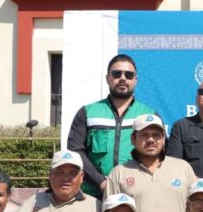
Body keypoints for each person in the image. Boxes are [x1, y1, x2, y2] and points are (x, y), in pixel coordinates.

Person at [67, 54, 159, 198]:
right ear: (107, 78)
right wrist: (101, 182)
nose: (123, 78)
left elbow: (159, 155)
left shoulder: (149, 115)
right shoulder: (87, 112)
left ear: (135, 80)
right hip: (93, 195)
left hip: (138, 194)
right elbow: (75, 151)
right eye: (117, 74)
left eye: (129, 75)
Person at [107, 114, 198, 212]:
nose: (151, 140)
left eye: (156, 135)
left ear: (163, 139)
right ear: (133, 139)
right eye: (144, 135)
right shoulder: (119, 173)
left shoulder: (183, 168)